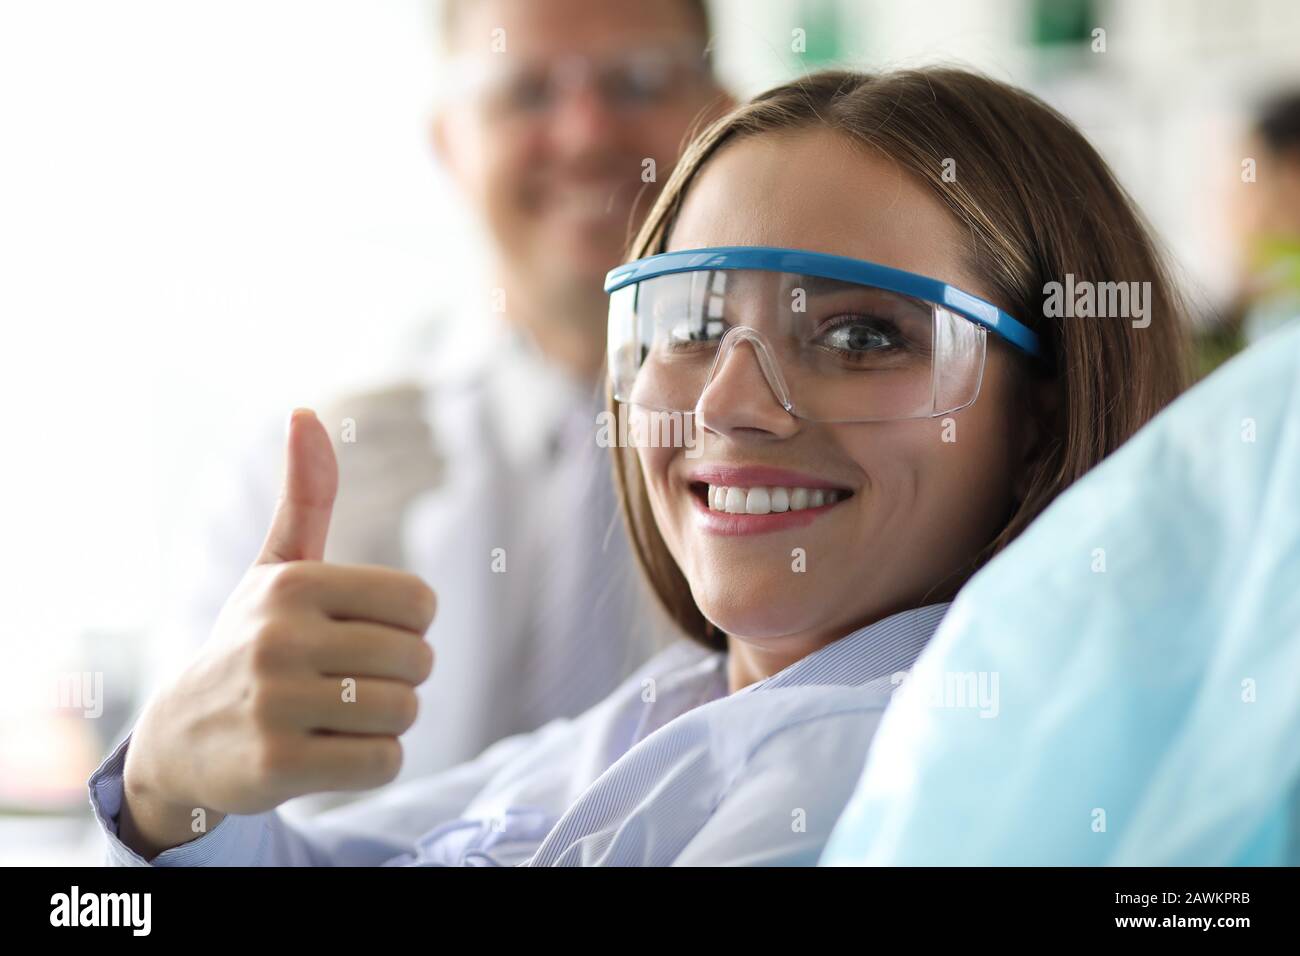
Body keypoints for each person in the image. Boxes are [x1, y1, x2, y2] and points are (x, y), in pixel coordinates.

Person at [90, 67, 1190, 866]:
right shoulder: (663, 715)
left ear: (1044, 417)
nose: (726, 402)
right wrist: (167, 786)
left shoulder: (921, 768)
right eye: (693, 322)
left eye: (860, 337)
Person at [156, 0, 732, 802]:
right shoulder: (298, 462)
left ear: (725, 120)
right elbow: (160, 824)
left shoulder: (840, 445)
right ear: (449, 141)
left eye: (640, 82)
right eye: (527, 92)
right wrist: (188, 790)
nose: (587, 135)